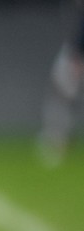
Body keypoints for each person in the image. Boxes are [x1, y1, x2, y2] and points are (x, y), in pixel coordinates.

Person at [37, 1, 84, 167]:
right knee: (60, 95)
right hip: (74, 53)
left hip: (76, 56)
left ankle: (59, 138)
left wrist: (77, 56)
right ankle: (58, 138)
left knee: (61, 95)